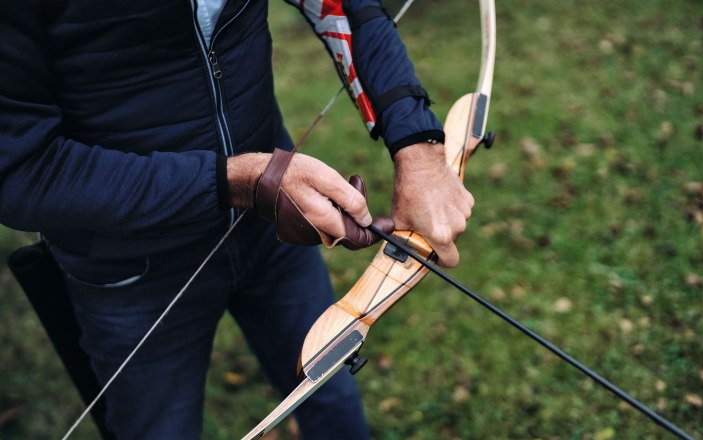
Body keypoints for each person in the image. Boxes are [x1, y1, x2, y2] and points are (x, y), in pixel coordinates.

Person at [0, 0, 473, 438]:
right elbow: (19, 169)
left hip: (272, 235)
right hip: (128, 267)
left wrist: (418, 146)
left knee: (330, 394)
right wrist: (237, 182)